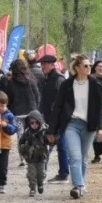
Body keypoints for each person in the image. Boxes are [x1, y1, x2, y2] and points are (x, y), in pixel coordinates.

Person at [47, 54, 102, 200]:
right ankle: (78, 186)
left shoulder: (95, 84)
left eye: (90, 65)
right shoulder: (67, 85)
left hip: (89, 125)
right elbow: (58, 107)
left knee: (84, 157)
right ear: (77, 68)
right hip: (71, 124)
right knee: (75, 156)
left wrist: (101, 127)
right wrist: (51, 130)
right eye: (86, 66)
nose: (89, 68)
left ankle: (80, 184)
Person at [39, 54, 70, 183]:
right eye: (41, 64)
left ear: (52, 65)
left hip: (57, 119)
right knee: (55, 146)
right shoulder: (46, 78)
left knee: (55, 146)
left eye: (44, 64)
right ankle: (61, 173)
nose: (42, 67)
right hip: (49, 118)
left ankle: (62, 174)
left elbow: (64, 100)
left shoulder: (58, 79)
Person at [5, 58, 41, 166]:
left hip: (18, 112)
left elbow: (8, 99)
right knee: (32, 134)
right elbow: (37, 95)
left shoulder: (10, 83)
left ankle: (23, 159)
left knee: (20, 136)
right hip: (31, 111)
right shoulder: (31, 80)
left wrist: (10, 109)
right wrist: (36, 107)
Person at [18, 110, 49, 197]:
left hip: (42, 157)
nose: (34, 124)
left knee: (41, 173)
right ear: (29, 123)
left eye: (36, 122)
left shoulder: (44, 131)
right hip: (30, 158)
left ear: (40, 122)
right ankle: (32, 188)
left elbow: (51, 141)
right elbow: (20, 143)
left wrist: (50, 140)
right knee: (31, 174)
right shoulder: (27, 133)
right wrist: (24, 152)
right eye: (32, 123)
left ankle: (40, 183)